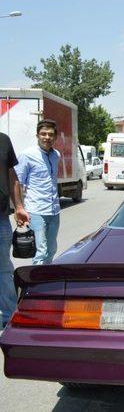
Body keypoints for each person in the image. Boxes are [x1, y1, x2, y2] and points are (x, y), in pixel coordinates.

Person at [15, 119, 62, 266]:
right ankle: (36, 285)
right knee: (40, 252)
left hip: (54, 210)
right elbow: (17, 182)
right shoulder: (27, 155)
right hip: (36, 210)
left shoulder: (56, 155)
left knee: (52, 249)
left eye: (50, 134)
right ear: (37, 135)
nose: (47, 137)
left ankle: (45, 278)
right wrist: (19, 208)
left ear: (55, 137)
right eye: (43, 134)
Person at [0, 133, 29, 327]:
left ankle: (9, 316)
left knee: (3, 268)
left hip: (0, 217)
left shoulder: (3, 140)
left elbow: (12, 176)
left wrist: (18, 206)